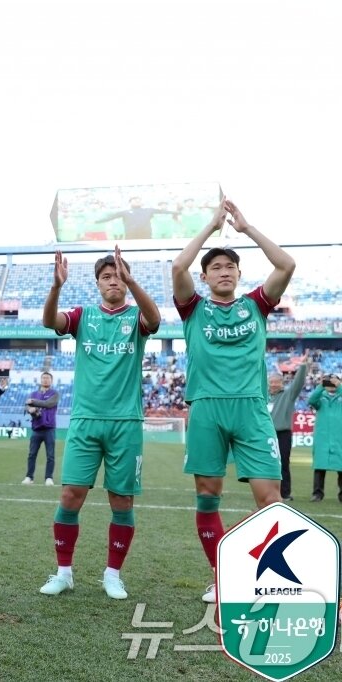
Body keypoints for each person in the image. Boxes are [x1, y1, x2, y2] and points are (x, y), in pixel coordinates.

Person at [171, 199, 295, 603]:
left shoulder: (255, 305)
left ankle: (238, 561)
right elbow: (177, 268)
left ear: (239, 274)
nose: (224, 272)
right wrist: (211, 225)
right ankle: (220, 576)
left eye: (230, 267)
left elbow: (286, 265)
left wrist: (246, 229)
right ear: (205, 277)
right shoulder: (194, 309)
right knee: (207, 494)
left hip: (251, 408)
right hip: (206, 406)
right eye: (216, 268)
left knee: (270, 500)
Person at [38, 247, 161, 600]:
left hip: (125, 422)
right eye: (107, 276)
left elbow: (155, 320)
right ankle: (63, 572)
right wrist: (57, 287)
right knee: (70, 495)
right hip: (85, 421)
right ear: (97, 283)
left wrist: (132, 279)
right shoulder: (83, 316)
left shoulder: (136, 318)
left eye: (119, 275)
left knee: (122, 501)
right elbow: (50, 322)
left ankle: (112, 574)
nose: (113, 281)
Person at [267, 354, 309, 501]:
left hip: (283, 434)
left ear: (281, 383)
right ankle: (266, 491)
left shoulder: (288, 395)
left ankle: (285, 493)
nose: (273, 385)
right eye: (271, 382)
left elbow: (298, 383)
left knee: (283, 463)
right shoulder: (264, 397)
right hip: (266, 434)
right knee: (266, 464)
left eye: (276, 382)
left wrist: (303, 366)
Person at [308, 374, 342, 502]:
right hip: (323, 438)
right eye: (329, 382)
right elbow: (311, 401)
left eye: (334, 381)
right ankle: (317, 494)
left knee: (341, 467)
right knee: (319, 466)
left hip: (339, 437)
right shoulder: (321, 398)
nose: (331, 384)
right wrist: (321, 386)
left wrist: (339, 387)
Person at [22, 372, 59, 485]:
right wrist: (30, 410)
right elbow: (26, 406)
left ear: (51, 381)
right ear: (40, 380)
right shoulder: (33, 393)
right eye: (43, 378)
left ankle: (49, 477)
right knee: (32, 454)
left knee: (50, 455)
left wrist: (33, 402)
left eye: (47, 378)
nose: (45, 380)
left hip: (49, 429)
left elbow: (48, 404)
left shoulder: (55, 394)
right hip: (36, 429)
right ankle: (29, 477)